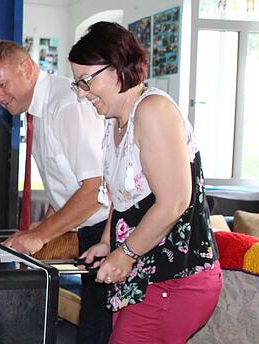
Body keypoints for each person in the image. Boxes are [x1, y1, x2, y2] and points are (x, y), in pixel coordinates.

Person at [69, 22, 222, 343]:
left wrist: (125, 253)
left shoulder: (153, 110)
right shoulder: (115, 122)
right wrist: (108, 242)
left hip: (175, 278)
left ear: (118, 68)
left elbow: (176, 200)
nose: (82, 94)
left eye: (86, 82)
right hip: (145, 274)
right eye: (77, 85)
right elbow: (123, 198)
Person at [0, 40, 112, 343]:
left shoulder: (66, 104)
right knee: (92, 330)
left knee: (99, 334)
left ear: (26, 68)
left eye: (1, 84)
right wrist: (43, 225)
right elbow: (63, 183)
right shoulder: (38, 110)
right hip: (89, 232)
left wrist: (39, 236)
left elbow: (95, 190)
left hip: (109, 232)